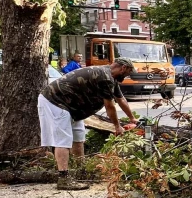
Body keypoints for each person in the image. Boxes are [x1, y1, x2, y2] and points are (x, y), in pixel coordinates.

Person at [38, 58, 137, 190]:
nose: (128, 75)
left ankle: (80, 170)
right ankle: (63, 178)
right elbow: (110, 107)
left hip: (71, 106)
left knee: (78, 136)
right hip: (55, 101)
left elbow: (121, 99)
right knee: (63, 140)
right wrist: (117, 126)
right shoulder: (105, 78)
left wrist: (132, 119)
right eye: (129, 72)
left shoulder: (110, 77)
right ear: (123, 68)